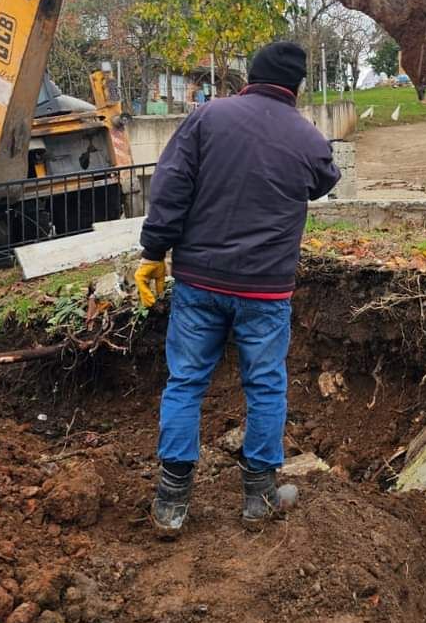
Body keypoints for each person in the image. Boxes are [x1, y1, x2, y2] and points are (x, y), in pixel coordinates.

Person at [134, 40, 341, 535]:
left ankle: (171, 503)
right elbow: (324, 181)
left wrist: (152, 251)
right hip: (265, 290)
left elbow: (170, 185)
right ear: (296, 87)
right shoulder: (308, 138)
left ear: (252, 74)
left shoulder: (207, 118)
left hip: (199, 281)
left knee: (185, 381)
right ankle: (259, 498)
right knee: (265, 385)